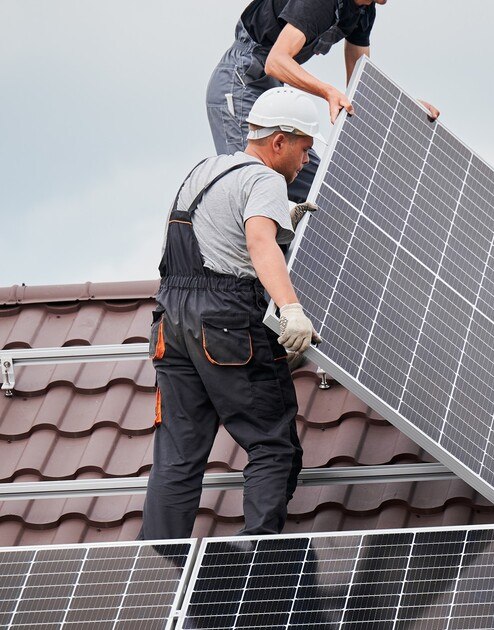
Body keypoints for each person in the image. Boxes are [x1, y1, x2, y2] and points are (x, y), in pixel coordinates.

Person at [141, 87, 323, 540]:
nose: (306, 161)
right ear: (278, 141)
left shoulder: (203, 169)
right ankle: (256, 571)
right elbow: (258, 244)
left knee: (178, 458)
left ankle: (154, 577)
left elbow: (216, 238)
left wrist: (282, 221)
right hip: (224, 321)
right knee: (271, 443)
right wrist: (291, 308)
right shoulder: (265, 181)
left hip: (171, 322)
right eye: (303, 149)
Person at [207, 0, 439, 203]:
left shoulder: (363, 10)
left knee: (321, 190)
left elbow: (362, 90)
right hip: (241, 82)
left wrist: (406, 107)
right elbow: (275, 61)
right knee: (252, 184)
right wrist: (327, 91)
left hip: (271, 89)